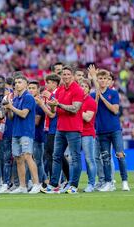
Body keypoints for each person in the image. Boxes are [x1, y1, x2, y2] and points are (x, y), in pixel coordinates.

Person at [44, 65, 84, 194]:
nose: (66, 76)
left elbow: (75, 108)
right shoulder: (60, 90)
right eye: (64, 74)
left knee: (75, 157)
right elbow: (55, 111)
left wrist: (58, 104)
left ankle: (73, 185)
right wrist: (53, 106)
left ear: (72, 76)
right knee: (56, 156)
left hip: (73, 128)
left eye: (68, 74)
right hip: (60, 128)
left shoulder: (77, 89)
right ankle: (53, 184)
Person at [89, 66, 130, 191]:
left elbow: (115, 110)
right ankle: (108, 182)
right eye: (99, 78)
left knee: (120, 155)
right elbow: (94, 110)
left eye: (104, 79)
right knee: (105, 158)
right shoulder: (92, 94)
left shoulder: (113, 93)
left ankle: (124, 181)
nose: (102, 81)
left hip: (114, 129)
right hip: (101, 130)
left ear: (108, 81)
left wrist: (103, 99)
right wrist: (97, 97)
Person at [4, 74, 41, 194]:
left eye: (20, 82)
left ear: (25, 84)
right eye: (16, 82)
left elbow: (24, 114)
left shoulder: (28, 97)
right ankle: (22, 186)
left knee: (27, 156)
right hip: (16, 131)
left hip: (26, 131)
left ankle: (36, 184)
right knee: (18, 159)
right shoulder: (15, 99)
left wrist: (11, 107)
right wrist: (8, 109)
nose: (17, 84)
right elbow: (11, 117)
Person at [79, 79, 97, 193]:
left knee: (89, 159)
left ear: (89, 89)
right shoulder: (76, 100)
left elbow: (88, 118)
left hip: (87, 133)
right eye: (81, 86)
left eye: (85, 86)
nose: (83, 88)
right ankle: (72, 183)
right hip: (75, 132)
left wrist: (76, 108)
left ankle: (91, 184)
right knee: (71, 158)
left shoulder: (90, 101)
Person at [28, 80, 47, 186]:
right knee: (34, 160)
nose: (31, 90)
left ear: (38, 90)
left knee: (38, 161)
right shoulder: (30, 101)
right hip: (32, 135)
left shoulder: (38, 103)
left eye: (33, 88)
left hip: (37, 135)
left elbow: (36, 122)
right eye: (29, 88)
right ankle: (43, 181)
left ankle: (40, 182)